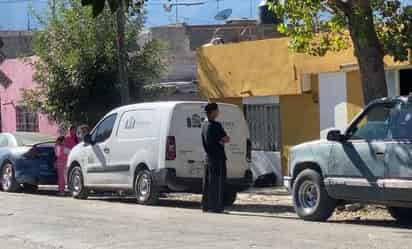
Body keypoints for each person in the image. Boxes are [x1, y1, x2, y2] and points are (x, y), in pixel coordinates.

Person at [201, 103, 230, 213]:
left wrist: (221, 141)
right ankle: (216, 206)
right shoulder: (215, 125)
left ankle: (206, 205)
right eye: (217, 110)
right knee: (218, 183)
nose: (218, 112)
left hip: (208, 158)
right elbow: (226, 139)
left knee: (208, 183)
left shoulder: (204, 125)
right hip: (218, 158)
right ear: (213, 112)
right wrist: (222, 141)